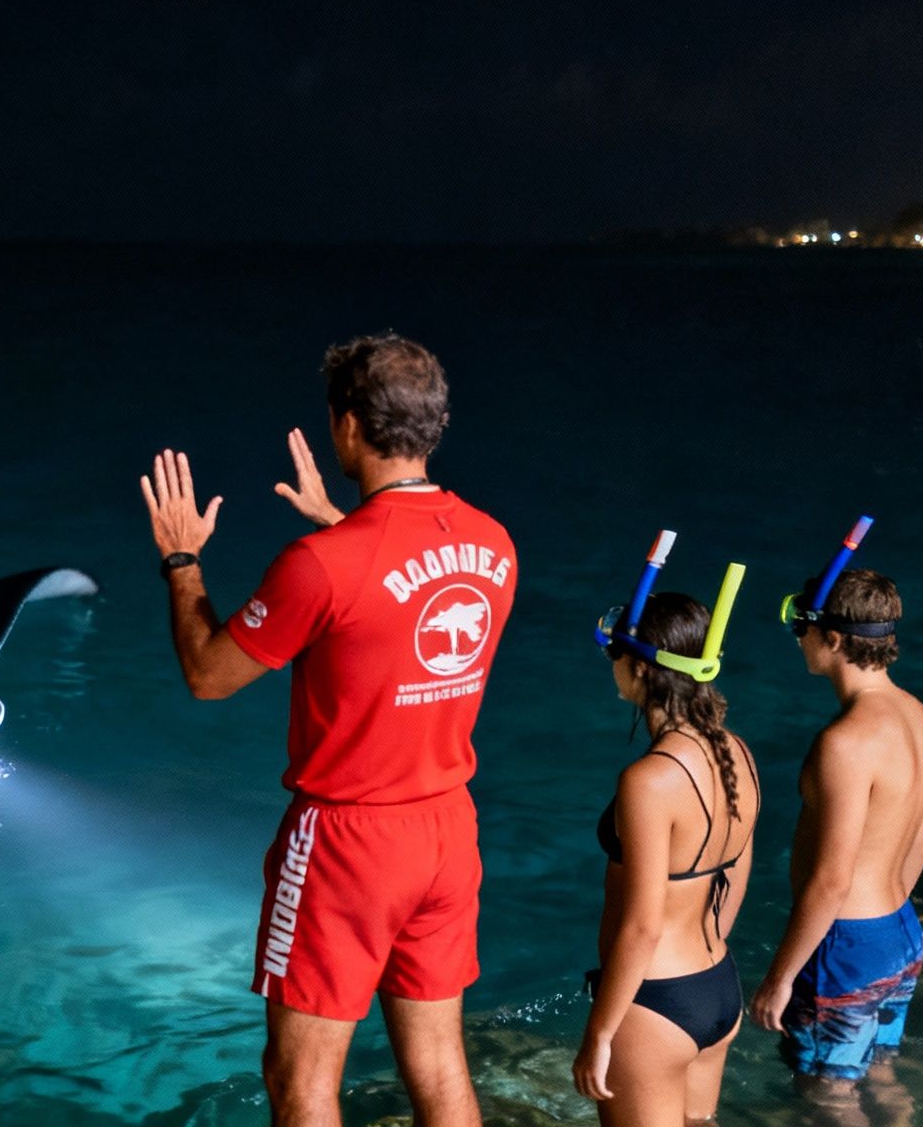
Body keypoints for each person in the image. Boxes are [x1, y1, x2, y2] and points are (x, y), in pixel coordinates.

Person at [139, 333, 515, 1127]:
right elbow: (397, 594)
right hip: (449, 831)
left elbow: (210, 675)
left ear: (347, 427)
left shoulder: (323, 562)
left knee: (299, 1082)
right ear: (433, 426)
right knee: (441, 1066)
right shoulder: (492, 544)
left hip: (349, 844)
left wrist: (182, 561)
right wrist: (346, 525)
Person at [749, 556, 923, 1125]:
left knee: (826, 1094)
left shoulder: (846, 741)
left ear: (832, 637)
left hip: (848, 946)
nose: (797, 639)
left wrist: (779, 979)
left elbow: (831, 880)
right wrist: (883, 929)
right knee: (878, 1072)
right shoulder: (919, 718)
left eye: (800, 626)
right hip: (901, 933)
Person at [574, 542, 758, 1125]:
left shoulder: (649, 780)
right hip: (716, 984)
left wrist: (602, 1032)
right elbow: (738, 868)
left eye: (616, 655)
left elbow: (643, 922)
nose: (612, 667)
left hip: (654, 1004)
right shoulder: (736, 752)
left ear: (642, 668)